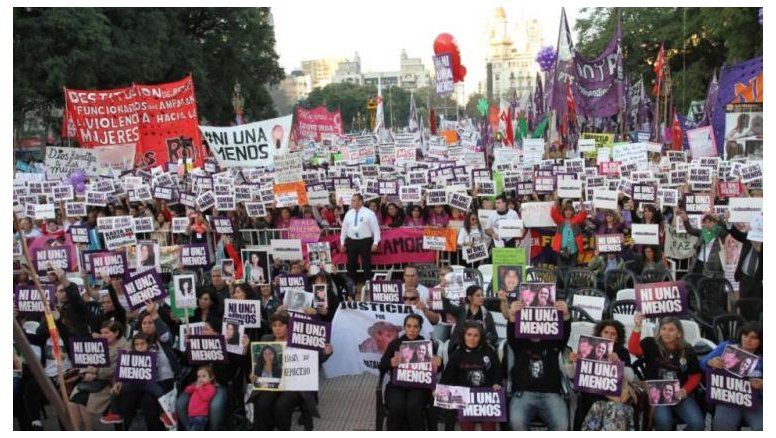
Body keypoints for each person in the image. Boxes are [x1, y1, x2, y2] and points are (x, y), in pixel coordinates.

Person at [249, 311, 332, 431]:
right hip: (273, 384)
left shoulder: (300, 340)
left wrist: (325, 353)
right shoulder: (266, 339)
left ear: (289, 327)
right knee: (262, 403)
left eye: (281, 325)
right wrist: (254, 375)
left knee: (281, 407)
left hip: (295, 385)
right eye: (274, 326)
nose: (277, 329)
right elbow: (257, 366)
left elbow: (315, 360)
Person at [500, 296, 572, 431]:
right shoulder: (519, 341)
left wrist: (566, 314)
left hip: (551, 393)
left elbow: (566, 332)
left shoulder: (553, 340)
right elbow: (511, 332)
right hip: (524, 393)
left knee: (562, 426)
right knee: (516, 423)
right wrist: (513, 315)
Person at [629, 313, 704, 431]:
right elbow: (634, 350)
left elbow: (696, 374)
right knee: (665, 422)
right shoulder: (651, 343)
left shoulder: (687, 349)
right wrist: (638, 326)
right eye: (663, 329)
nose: (666, 333)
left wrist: (685, 390)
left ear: (679, 333)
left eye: (671, 330)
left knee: (697, 423)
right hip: (657, 395)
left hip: (679, 395)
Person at [567, 320, 635, 431]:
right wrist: (571, 362)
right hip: (589, 394)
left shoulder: (622, 351)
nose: (609, 335)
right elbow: (572, 375)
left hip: (611, 397)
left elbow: (631, 377)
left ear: (617, 338)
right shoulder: (588, 347)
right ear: (600, 333)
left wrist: (617, 362)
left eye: (613, 334)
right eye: (606, 332)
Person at [379, 314, 440, 430]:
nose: (412, 330)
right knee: (397, 406)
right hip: (397, 385)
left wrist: (438, 362)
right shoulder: (396, 343)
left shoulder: (427, 344)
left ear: (420, 328)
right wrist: (390, 362)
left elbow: (437, 369)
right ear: (404, 327)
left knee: (414, 407)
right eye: (409, 326)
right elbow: (382, 364)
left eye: (415, 327)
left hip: (419, 386)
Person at [439, 321, 502, 431]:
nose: (472, 339)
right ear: (463, 335)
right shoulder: (457, 354)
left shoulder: (489, 351)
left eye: (475, 335)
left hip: (485, 398)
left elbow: (498, 372)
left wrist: (497, 383)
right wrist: (438, 390)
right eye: (469, 335)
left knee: (489, 427)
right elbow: (446, 377)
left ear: (480, 337)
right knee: (466, 426)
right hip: (464, 399)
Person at [700, 321, 762, 430]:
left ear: (761, 341)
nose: (748, 340)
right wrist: (710, 362)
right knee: (721, 425)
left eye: (754, 338)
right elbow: (701, 363)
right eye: (745, 335)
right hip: (728, 398)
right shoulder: (727, 346)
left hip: (755, 401)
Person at [340, 193, 381, 285]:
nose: (352, 202)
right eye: (352, 200)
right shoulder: (348, 213)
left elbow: (376, 229)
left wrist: (375, 243)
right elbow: (344, 229)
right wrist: (342, 242)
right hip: (351, 241)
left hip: (365, 241)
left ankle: (368, 284)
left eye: (354, 200)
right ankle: (351, 285)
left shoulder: (369, 213)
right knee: (351, 264)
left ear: (360, 201)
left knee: (366, 263)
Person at [443, 285, 497, 351]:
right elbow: (449, 307)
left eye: (482, 295)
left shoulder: (487, 315)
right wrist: (443, 295)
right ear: (470, 298)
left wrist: (484, 340)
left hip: (480, 347)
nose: (481, 298)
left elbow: (494, 335)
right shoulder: (462, 310)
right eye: (478, 295)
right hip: (461, 347)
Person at [677, 210, 728, 276]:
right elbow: (690, 229)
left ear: (714, 223)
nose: (707, 224)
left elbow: (725, 232)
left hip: (713, 264)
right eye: (705, 222)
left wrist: (719, 220)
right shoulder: (702, 232)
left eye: (709, 222)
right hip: (699, 261)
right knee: (697, 282)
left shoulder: (719, 233)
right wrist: (686, 219)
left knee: (709, 284)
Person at [728, 222, 762, 301]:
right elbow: (736, 234)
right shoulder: (749, 238)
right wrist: (728, 222)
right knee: (743, 307)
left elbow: (760, 251)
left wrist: (758, 247)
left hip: (758, 282)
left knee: (757, 309)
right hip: (744, 279)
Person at [550, 198, 588, 268]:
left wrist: (581, 203)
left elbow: (583, 215)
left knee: (571, 271)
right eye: (566, 210)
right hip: (560, 250)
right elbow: (553, 213)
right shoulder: (560, 220)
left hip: (573, 251)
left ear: (573, 212)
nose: (568, 212)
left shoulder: (576, 220)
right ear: (563, 212)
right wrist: (555, 200)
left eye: (570, 210)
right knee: (561, 270)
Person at [183, 366, 217, 431]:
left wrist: (199, 388)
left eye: (204, 376)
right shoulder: (197, 386)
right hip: (191, 415)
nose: (201, 379)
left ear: (211, 378)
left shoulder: (211, 388)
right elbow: (186, 391)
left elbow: (206, 397)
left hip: (200, 416)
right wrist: (193, 386)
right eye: (199, 376)